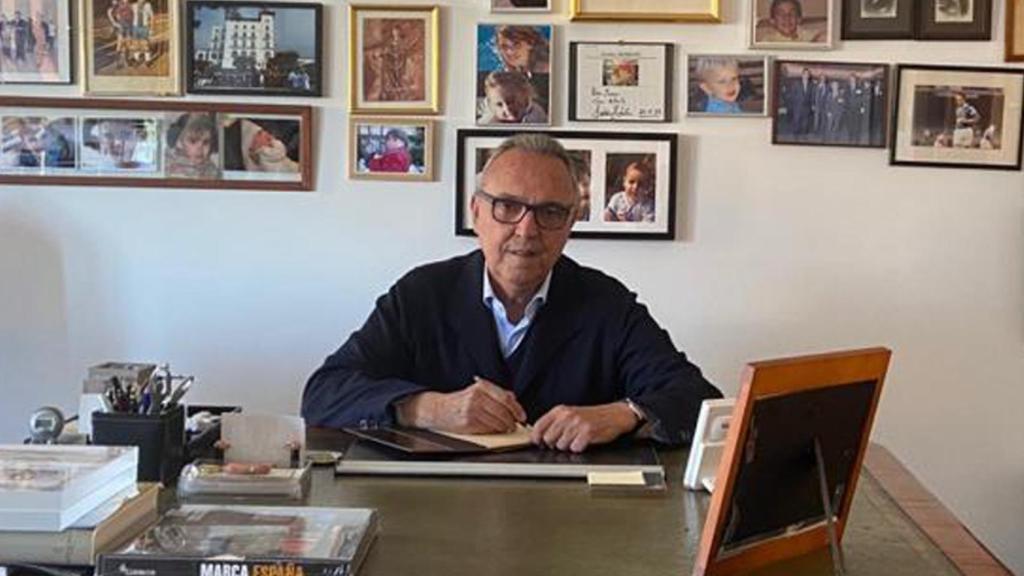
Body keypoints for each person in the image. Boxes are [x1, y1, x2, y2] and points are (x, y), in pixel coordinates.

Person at [302, 134, 719, 452]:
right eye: (507, 206)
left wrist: (625, 413)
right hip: (438, 505)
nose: (526, 229)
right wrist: (427, 408)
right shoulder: (421, 294)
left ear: (571, 223)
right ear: (476, 212)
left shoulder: (607, 304)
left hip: (570, 516)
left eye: (550, 212)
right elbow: (324, 393)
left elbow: (699, 401)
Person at [478, 71, 547, 124]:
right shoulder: (490, 117)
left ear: (525, 97)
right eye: (499, 104)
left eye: (511, 102)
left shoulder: (536, 116)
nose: (507, 109)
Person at [165, 113, 219, 179]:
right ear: (182, 143)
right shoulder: (169, 162)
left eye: (205, 143)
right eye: (193, 141)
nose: (200, 148)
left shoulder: (212, 170)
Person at [603, 158, 655, 223]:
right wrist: (613, 218)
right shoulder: (617, 198)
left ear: (647, 187)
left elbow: (647, 224)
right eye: (631, 182)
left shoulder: (648, 205)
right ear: (624, 182)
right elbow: (607, 215)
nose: (635, 187)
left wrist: (626, 222)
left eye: (641, 184)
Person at [757, 0, 826, 44]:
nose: (787, 17)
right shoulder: (769, 41)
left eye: (792, 13)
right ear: (773, 21)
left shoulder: (808, 35)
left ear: (799, 19)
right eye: (781, 14)